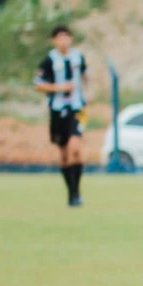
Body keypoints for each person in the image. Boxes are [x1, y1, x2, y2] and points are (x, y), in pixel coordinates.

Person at [34, 25, 91, 206]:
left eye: (66, 37)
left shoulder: (78, 57)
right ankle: (71, 193)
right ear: (54, 40)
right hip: (57, 110)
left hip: (77, 108)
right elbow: (38, 84)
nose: (63, 41)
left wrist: (88, 93)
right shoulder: (49, 60)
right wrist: (59, 88)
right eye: (60, 37)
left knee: (76, 148)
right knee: (64, 154)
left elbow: (85, 76)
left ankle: (76, 192)